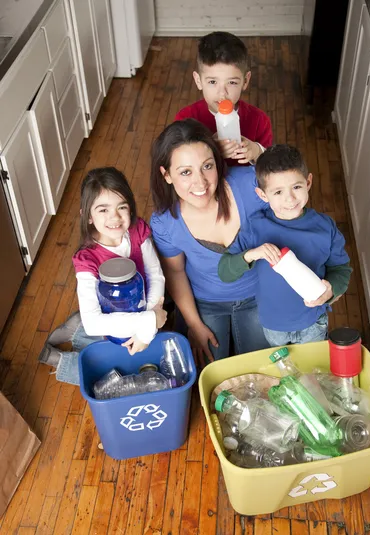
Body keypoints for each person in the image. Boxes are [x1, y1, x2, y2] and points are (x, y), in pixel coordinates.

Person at [150, 118, 268, 366]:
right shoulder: (165, 222)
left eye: (207, 166)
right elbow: (175, 270)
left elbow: (294, 205)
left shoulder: (249, 184)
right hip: (207, 302)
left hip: (260, 294)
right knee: (209, 375)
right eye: (185, 172)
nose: (200, 182)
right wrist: (194, 324)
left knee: (261, 372)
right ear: (166, 175)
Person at [38, 167, 167, 385]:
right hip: (109, 321)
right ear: (88, 216)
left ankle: (74, 327)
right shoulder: (87, 260)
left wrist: (150, 322)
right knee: (112, 379)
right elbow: (94, 323)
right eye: (103, 210)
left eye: (122, 207)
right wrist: (150, 321)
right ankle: (58, 359)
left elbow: (156, 275)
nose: (114, 217)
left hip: (141, 310)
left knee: (149, 367)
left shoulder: (136, 231)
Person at [218, 144, 352, 346]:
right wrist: (251, 254)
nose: (289, 199)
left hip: (313, 321)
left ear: (308, 182)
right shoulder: (256, 228)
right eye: (278, 192)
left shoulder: (325, 228)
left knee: (311, 373)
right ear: (263, 195)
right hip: (272, 326)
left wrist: (331, 289)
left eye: (296, 187)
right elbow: (224, 272)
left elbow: (341, 269)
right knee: (282, 375)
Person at [175, 31, 273, 165]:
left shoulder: (259, 120)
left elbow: (271, 167)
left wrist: (256, 151)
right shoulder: (185, 119)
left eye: (232, 82)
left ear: (245, 81)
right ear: (198, 81)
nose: (222, 93)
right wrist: (210, 148)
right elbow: (179, 161)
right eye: (212, 82)